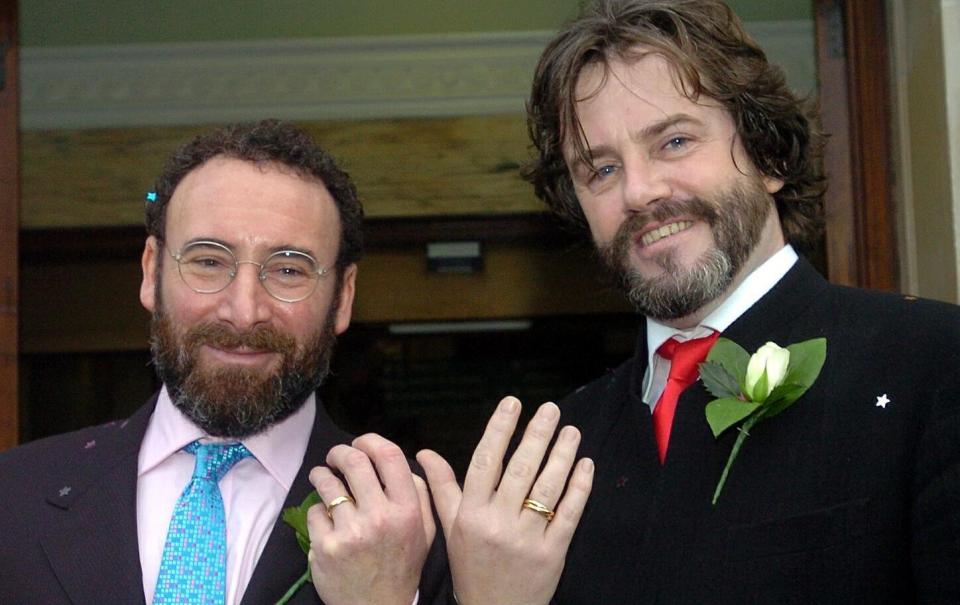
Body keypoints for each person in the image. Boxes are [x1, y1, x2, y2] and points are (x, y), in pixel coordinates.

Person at [417, 0, 960, 603]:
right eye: (600, 170)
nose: (639, 191)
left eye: (674, 141)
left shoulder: (934, 365)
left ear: (769, 156)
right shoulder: (553, 454)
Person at [0, 120, 449, 605]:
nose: (243, 310)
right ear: (151, 272)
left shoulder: (430, 529)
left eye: (288, 269)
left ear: (343, 297)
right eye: (209, 261)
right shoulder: (13, 498)